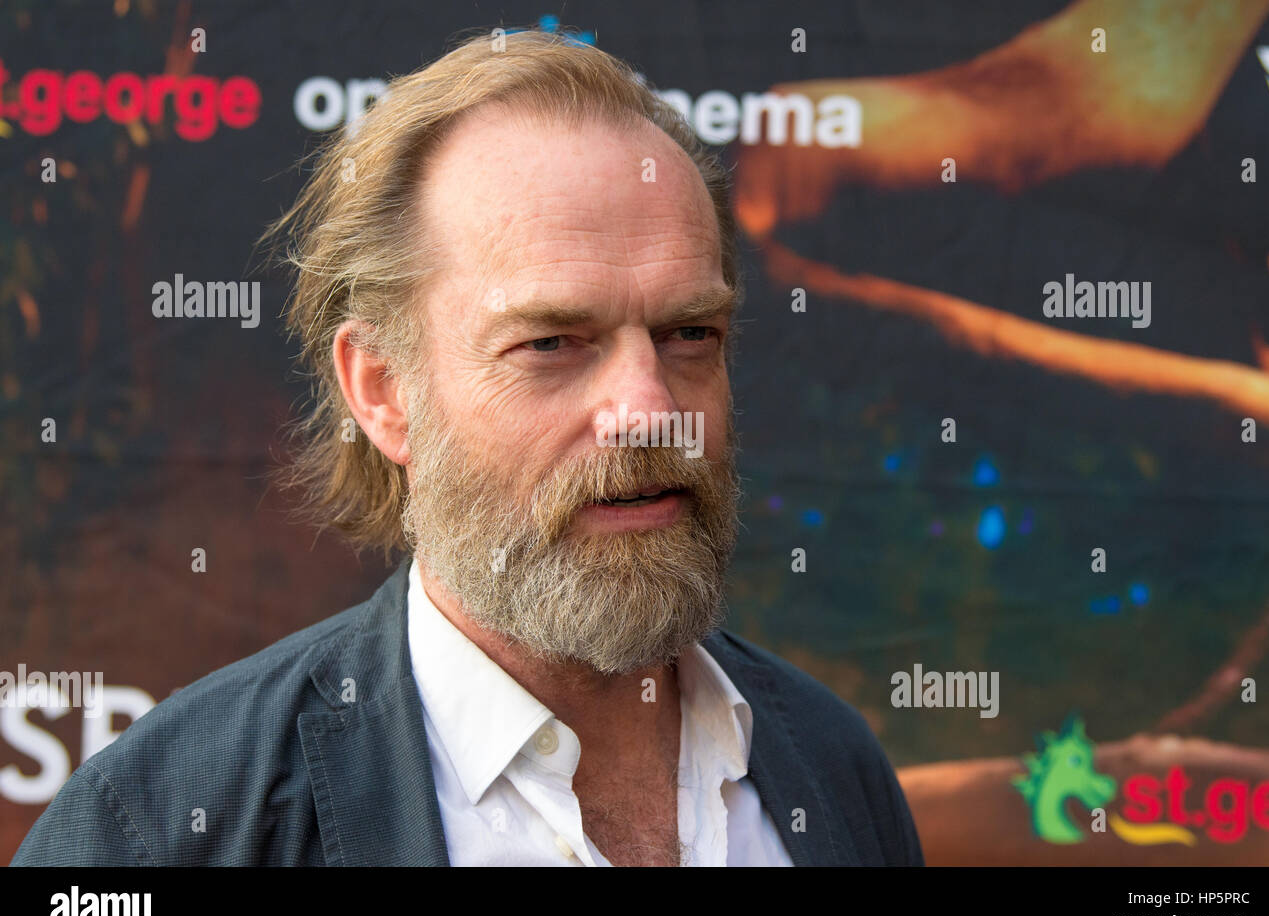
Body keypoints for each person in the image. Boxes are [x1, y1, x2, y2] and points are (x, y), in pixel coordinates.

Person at [11, 28, 923, 867]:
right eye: (551, 344)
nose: (649, 410)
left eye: (690, 333)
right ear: (382, 391)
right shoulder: (162, 830)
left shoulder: (829, 770)